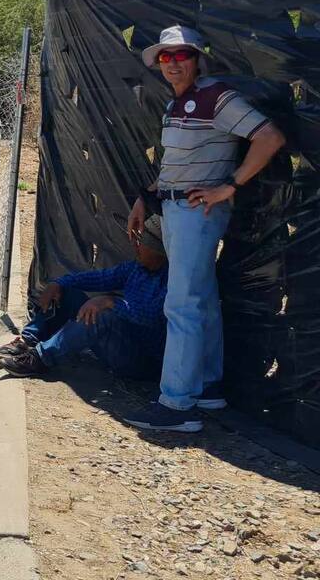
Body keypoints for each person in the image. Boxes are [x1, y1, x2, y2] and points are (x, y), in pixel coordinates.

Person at [123, 25, 285, 433]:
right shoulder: (178, 104)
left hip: (198, 213)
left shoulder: (216, 97)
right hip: (176, 208)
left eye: (182, 56)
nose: (173, 64)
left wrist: (228, 186)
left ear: (198, 59)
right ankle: (208, 388)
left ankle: (177, 404)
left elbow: (269, 137)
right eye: (165, 57)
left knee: (182, 304)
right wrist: (146, 197)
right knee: (202, 300)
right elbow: (174, 166)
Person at [0, 217, 168, 380]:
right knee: (68, 293)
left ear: (159, 249)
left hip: (141, 359)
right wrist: (59, 283)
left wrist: (110, 302)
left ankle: (38, 359)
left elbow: (153, 316)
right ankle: (26, 342)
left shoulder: (173, 280)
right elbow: (100, 278)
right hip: (119, 343)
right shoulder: (136, 268)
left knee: (102, 316)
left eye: (142, 242)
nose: (135, 246)